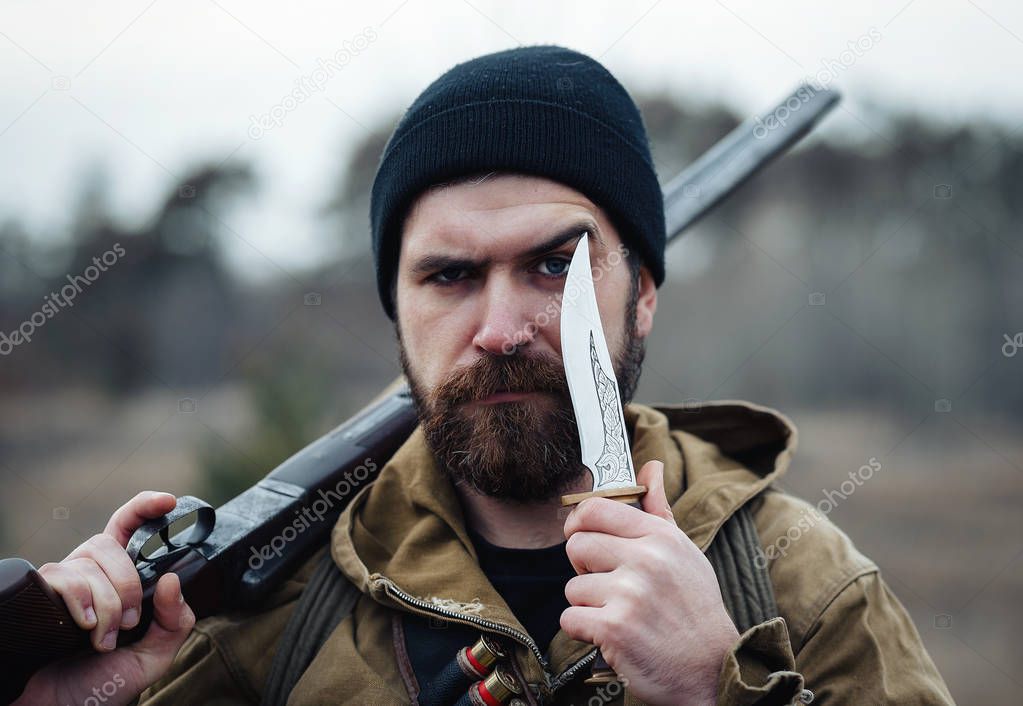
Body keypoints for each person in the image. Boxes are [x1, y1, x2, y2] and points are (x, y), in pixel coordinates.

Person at [15, 45, 955, 706]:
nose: (501, 330)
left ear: (645, 294)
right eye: (450, 276)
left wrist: (718, 691)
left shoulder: (803, 587)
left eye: (555, 265)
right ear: (397, 307)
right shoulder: (266, 619)